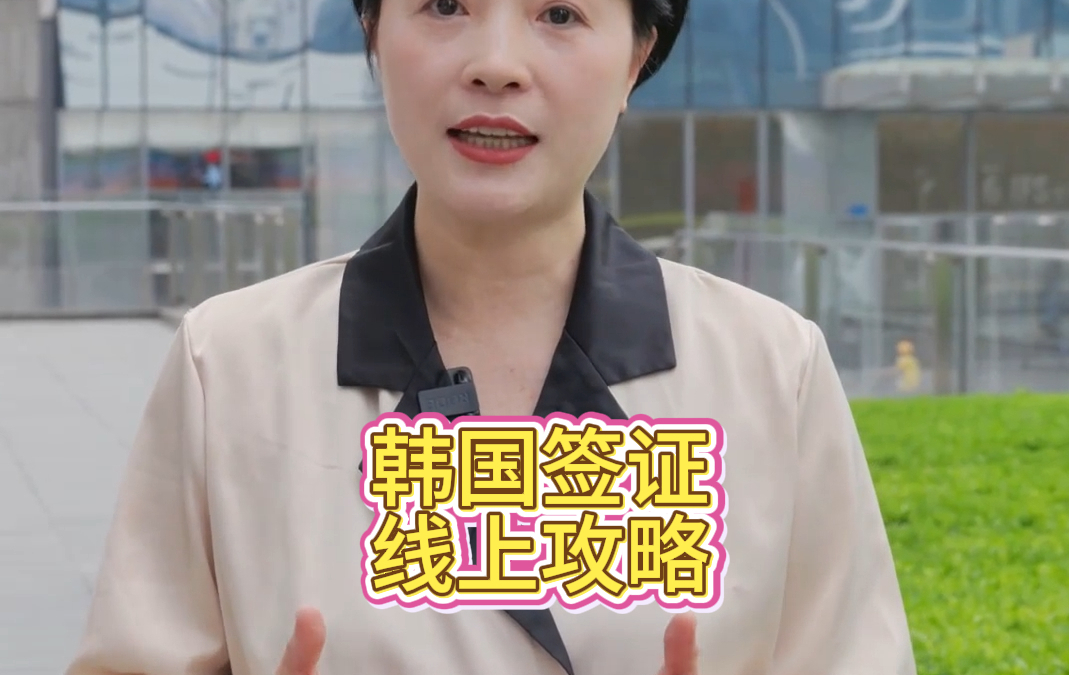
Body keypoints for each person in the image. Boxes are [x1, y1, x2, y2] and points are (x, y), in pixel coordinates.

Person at [66, 0, 918, 672]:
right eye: (446, 4)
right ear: (373, 30)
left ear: (636, 58)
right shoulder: (229, 364)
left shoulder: (774, 368)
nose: (497, 64)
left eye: (560, 14)